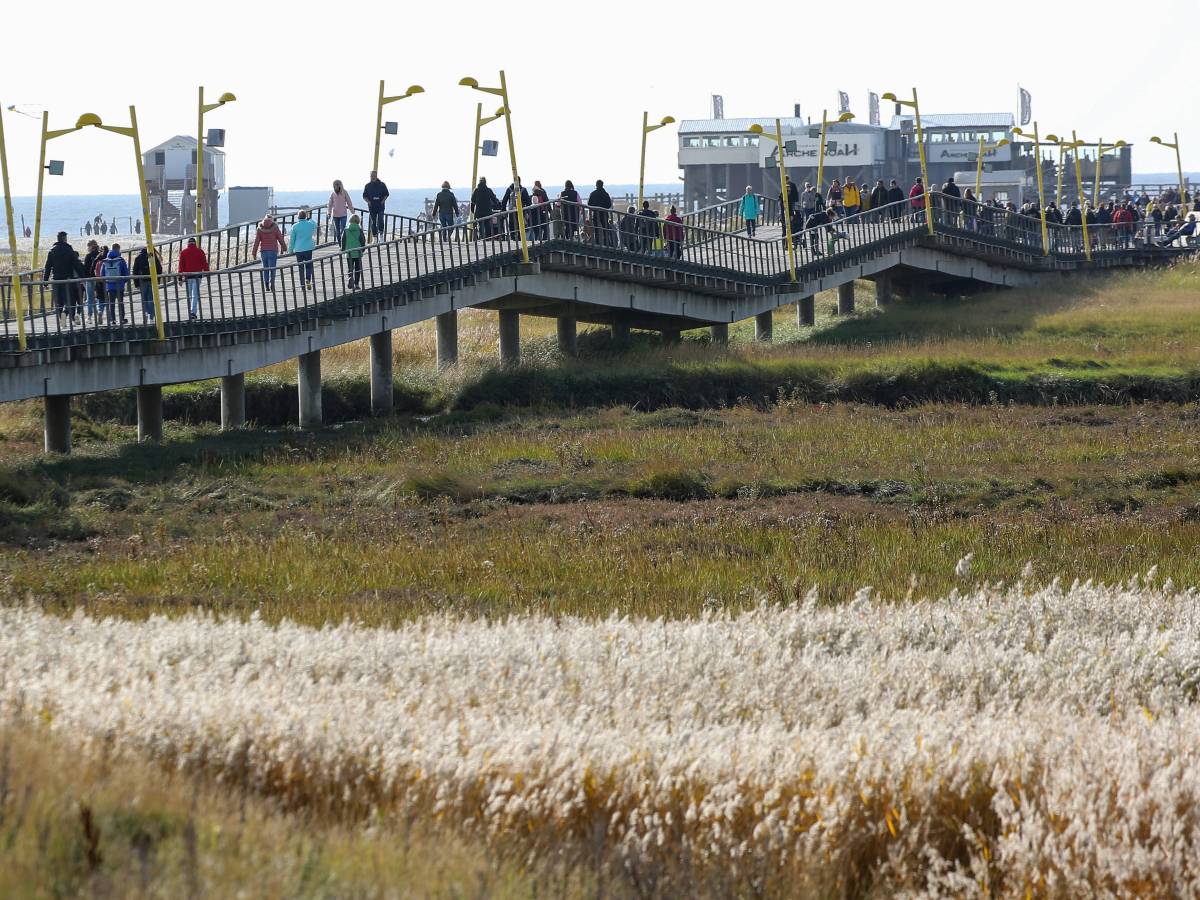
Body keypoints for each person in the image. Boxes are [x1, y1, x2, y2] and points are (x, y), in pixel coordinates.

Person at [42, 231, 85, 326]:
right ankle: (66, 314)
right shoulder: (69, 250)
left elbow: (47, 267)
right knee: (70, 300)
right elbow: (76, 264)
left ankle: (61, 319)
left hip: (56, 279)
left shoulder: (52, 251)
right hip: (67, 279)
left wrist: (45, 282)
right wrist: (83, 277)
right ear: (65, 239)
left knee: (59, 301)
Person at [252, 215, 286, 290]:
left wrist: (254, 253)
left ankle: (266, 284)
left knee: (265, 268)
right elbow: (280, 239)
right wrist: (284, 247)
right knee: (272, 268)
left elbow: (256, 242)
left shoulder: (259, 229)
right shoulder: (275, 228)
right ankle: (272, 283)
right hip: (273, 251)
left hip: (263, 252)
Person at [177, 238, 208, 319]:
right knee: (195, 294)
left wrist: (180, 278)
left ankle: (192, 311)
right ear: (195, 243)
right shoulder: (200, 251)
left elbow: (181, 266)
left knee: (191, 295)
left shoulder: (183, 252)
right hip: (198, 276)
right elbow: (204, 263)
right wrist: (207, 272)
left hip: (188, 276)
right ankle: (193, 312)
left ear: (188, 244)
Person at [132, 244, 165, 322]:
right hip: (152, 280)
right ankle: (151, 316)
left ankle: (146, 313)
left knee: (144, 299)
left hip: (142, 281)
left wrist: (136, 283)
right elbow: (159, 269)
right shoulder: (152, 257)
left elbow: (135, 271)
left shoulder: (138, 258)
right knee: (151, 299)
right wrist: (158, 280)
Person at [100, 244, 130, 325]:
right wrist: (124, 281)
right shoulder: (121, 260)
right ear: (118, 250)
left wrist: (106, 282)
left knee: (111, 303)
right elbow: (126, 273)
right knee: (120, 302)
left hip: (109, 286)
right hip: (119, 285)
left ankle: (112, 319)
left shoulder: (105, 261)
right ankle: (122, 319)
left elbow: (102, 274)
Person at [289, 209, 318, 289]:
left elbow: (292, 240)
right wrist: (310, 218)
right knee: (309, 265)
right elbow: (315, 225)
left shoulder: (294, 226)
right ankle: (308, 279)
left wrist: (290, 250)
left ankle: (302, 285)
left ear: (298, 217)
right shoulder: (309, 224)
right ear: (305, 216)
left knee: (300, 267)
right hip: (308, 248)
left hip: (298, 249)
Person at [362, 170, 389, 241]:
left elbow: (386, 194)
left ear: (376, 176)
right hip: (372, 207)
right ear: (370, 176)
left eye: (374, 175)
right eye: (372, 176)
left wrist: (383, 200)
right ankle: (375, 238)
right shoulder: (367, 186)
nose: (373, 177)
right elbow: (364, 196)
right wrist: (368, 202)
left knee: (380, 220)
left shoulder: (382, 184)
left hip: (380, 206)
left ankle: (381, 236)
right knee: (373, 222)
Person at [341, 213, 366, 287]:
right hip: (358, 252)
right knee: (358, 268)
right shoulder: (359, 230)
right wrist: (363, 249)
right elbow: (362, 240)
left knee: (350, 267)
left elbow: (343, 240)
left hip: (349, 252)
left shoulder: (346, 230)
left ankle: (350, 277)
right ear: (358, 221)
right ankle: (357, 284)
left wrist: (343, 249)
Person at [81, 240, 103, 322]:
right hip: (100, 279)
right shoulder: (101, 255)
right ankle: (99, 312)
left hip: (90, 279)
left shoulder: (88, 256)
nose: (88, 248)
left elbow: (85, 269)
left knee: (90, 298)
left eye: (88, 246)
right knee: (99, 297)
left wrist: (84, 279)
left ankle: (89, 316)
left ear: (91, 246)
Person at [327, 180, 354, 245]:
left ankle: (343, 244)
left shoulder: (344, 192)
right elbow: (330, 204)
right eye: (334, 186)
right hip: (335, 215)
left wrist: (352, 212)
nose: (334, 187)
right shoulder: (333, 194)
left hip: (343, 215)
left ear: (339, 185)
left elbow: (349, 202)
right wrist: (329, 213)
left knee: (343, 230)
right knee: (337, 231)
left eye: (336, 185)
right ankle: (340, 245)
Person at [587, 179, 613, 247]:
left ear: (596, 185)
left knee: (596, 229)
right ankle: (606, 242)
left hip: (596, 213)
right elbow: (609, 204)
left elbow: (589, 204)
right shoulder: (605, 194)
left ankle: (597, 242)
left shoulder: (593, 193)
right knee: (605, 228)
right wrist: (604, 208)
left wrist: (594, 208)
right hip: (604, 213)